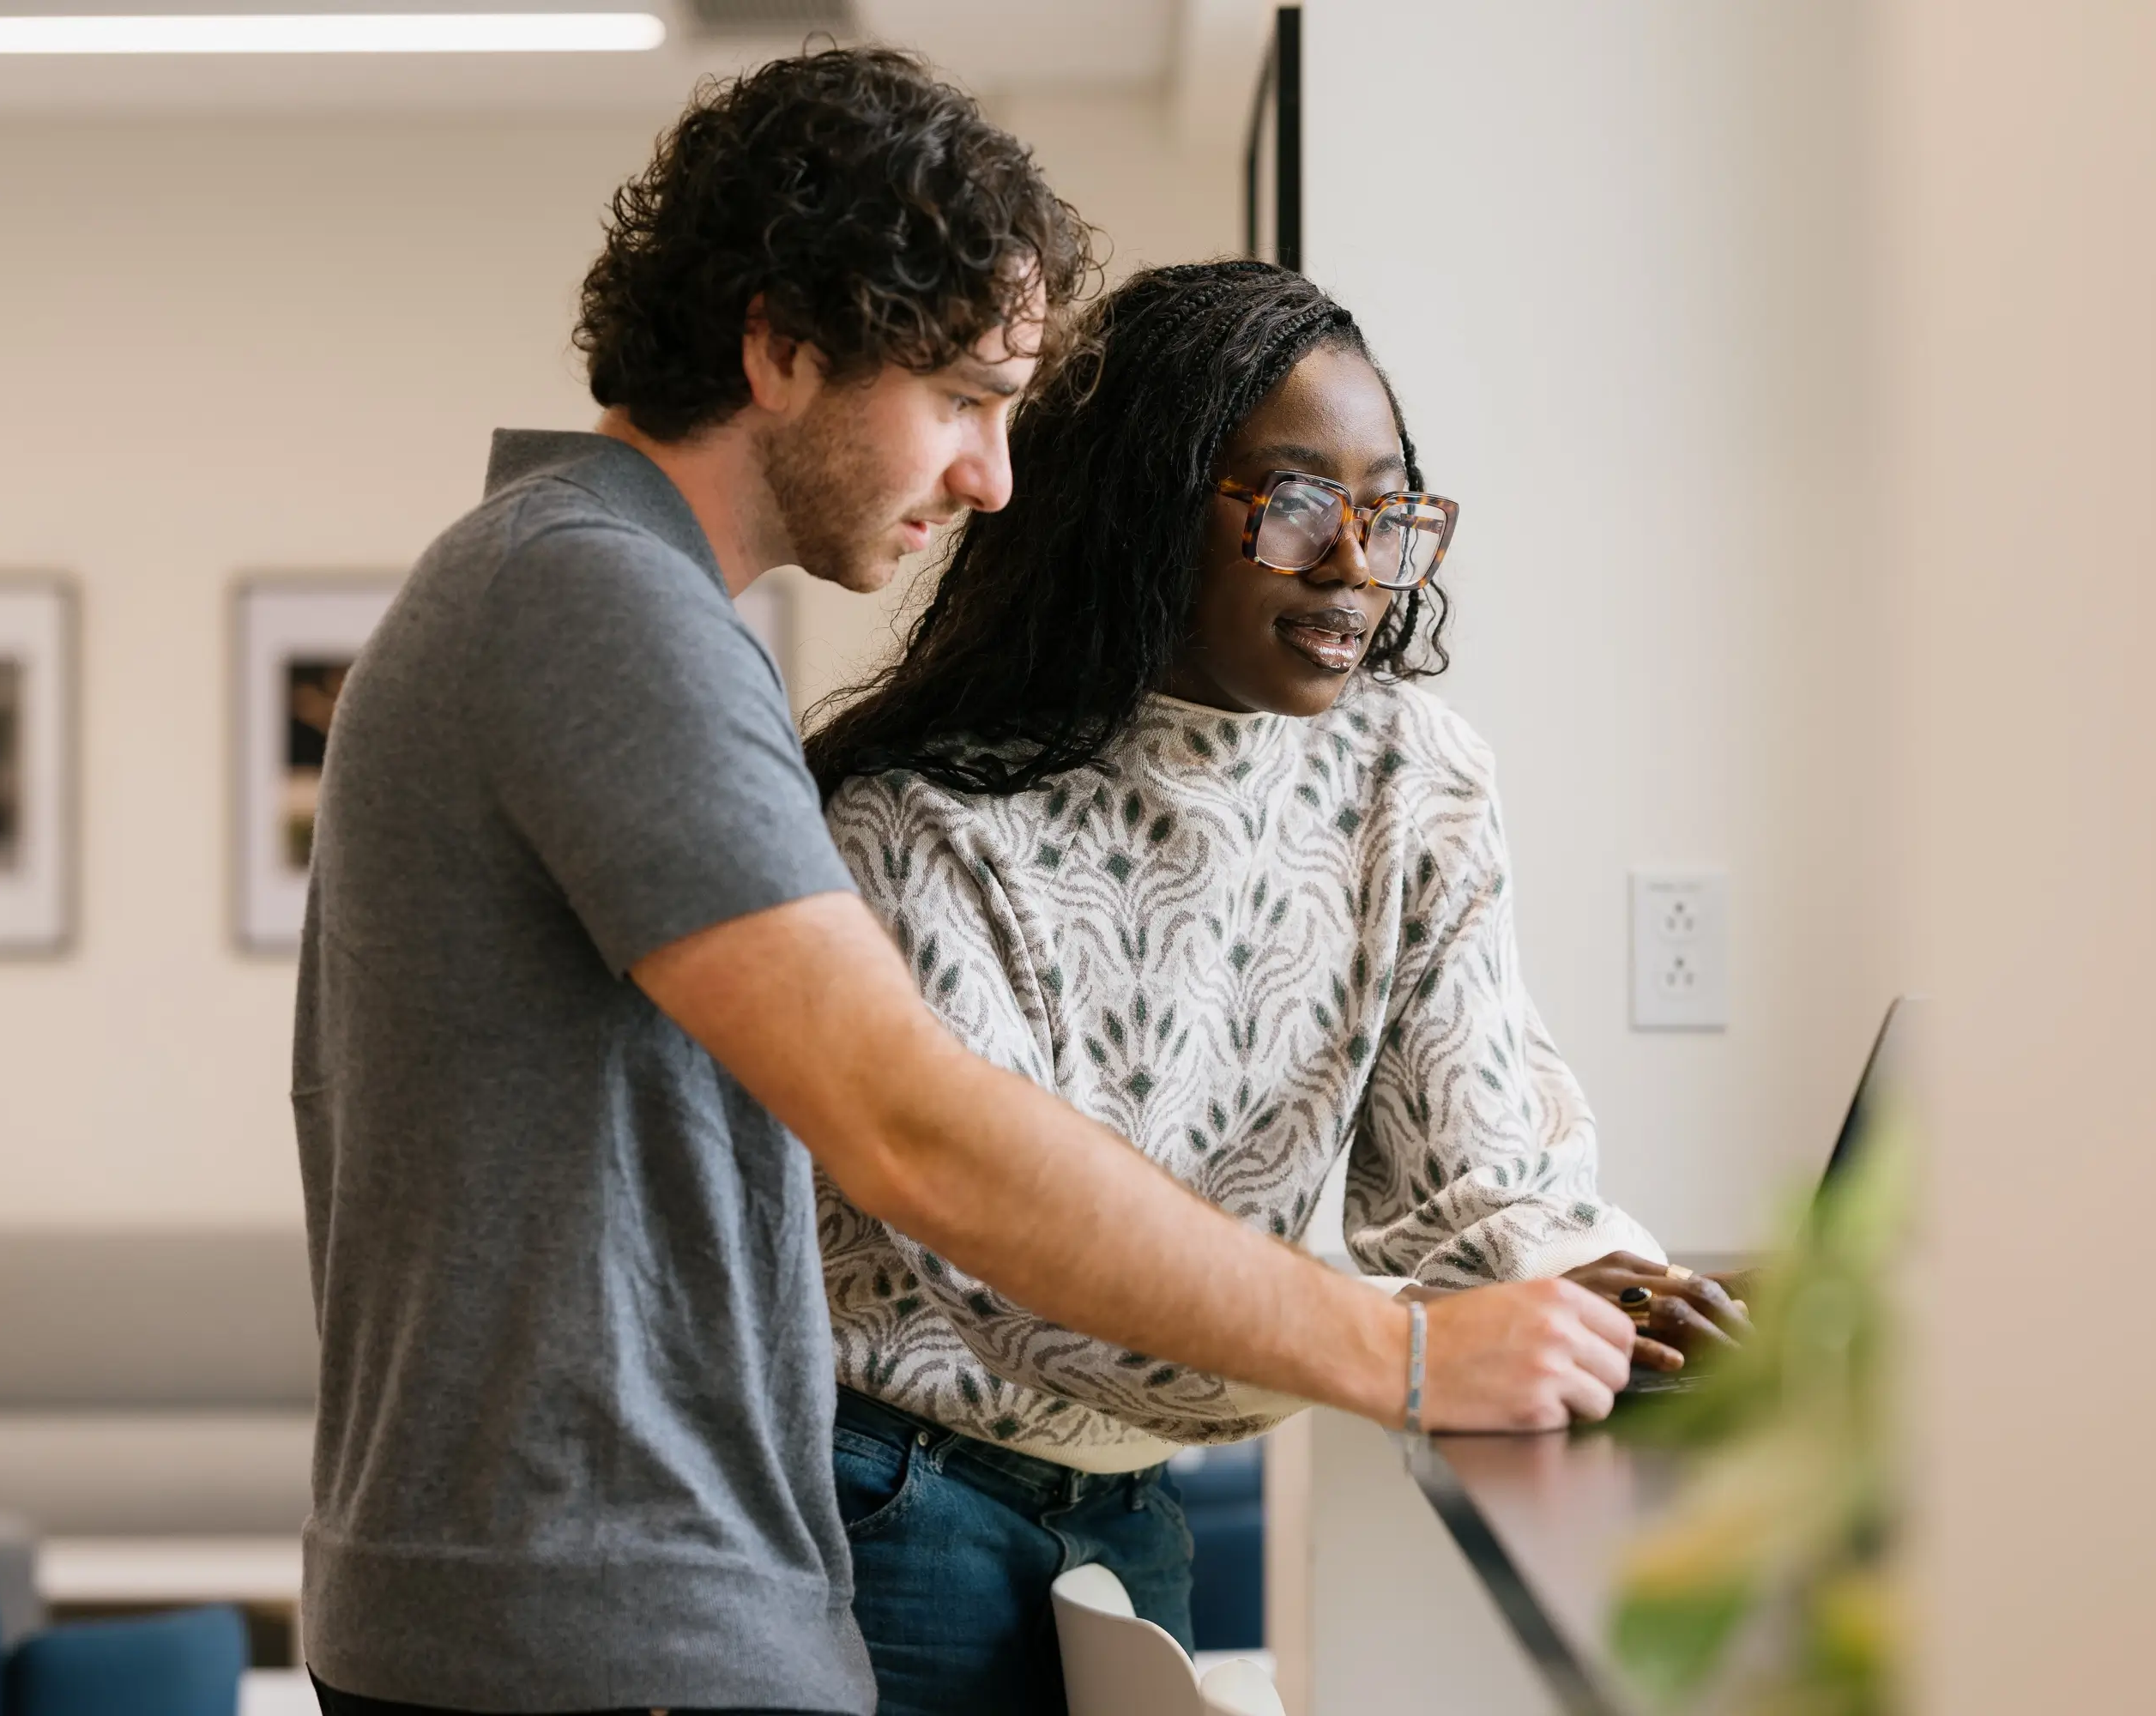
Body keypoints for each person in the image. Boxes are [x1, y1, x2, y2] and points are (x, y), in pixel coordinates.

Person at [295, 51, 1640, 1716]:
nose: (995, 476)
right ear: (782, 347)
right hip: (601, 1620)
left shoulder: (560, 582)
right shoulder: (598, 605)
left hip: (599, 1604)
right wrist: (1408, 1352)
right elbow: (913, 1123)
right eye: (961, 398)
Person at [804, 261, 1751, 1713]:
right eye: (1297, 501)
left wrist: (1583, 1282)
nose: (1355, 563)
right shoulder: (921, 818)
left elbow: (1474, 1170)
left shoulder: (1413, 780)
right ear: (1140, 509)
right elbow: (1010, 1268)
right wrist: (1411, 1350)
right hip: (895, 1491)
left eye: (1391, 509)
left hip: (1131, 1500)